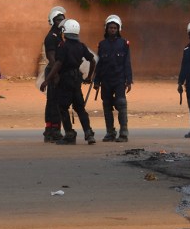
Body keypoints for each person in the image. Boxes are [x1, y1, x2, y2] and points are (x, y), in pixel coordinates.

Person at [40, 19, 97, 145]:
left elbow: (58, 64)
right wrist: (89, 77)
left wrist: (47, 80)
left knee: (63, 107)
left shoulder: (63, 46)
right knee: (80, 108)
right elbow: (92, 61)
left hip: (65, 81)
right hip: (77, 80)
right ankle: (89, 134)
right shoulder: (81, 46)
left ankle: (70, 134)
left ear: (65, 31)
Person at [93, 14, 133, 142]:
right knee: (106, 105)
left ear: (119, 29)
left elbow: (127, 62)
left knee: (121, 104)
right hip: (106, 80)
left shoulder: (124, 44)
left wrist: (129, 80)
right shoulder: (102, 45)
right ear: (106, 29)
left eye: (115, 28)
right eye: (110, 28)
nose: (112, 30)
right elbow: (99, 64)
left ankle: (123, 132)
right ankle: (110, 132)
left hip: (119, 79)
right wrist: (96, 81)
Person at [41, 7, 66, 143]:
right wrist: (55, 74)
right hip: (53, 71)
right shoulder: (51, 37)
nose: (61, 22)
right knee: (55, 102)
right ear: (52, 21)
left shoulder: (59, 35)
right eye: (58, 20)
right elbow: (51, 57)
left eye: (62, 19)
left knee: (52, 101)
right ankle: (54, 130)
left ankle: (49, 130)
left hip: (55, 71)